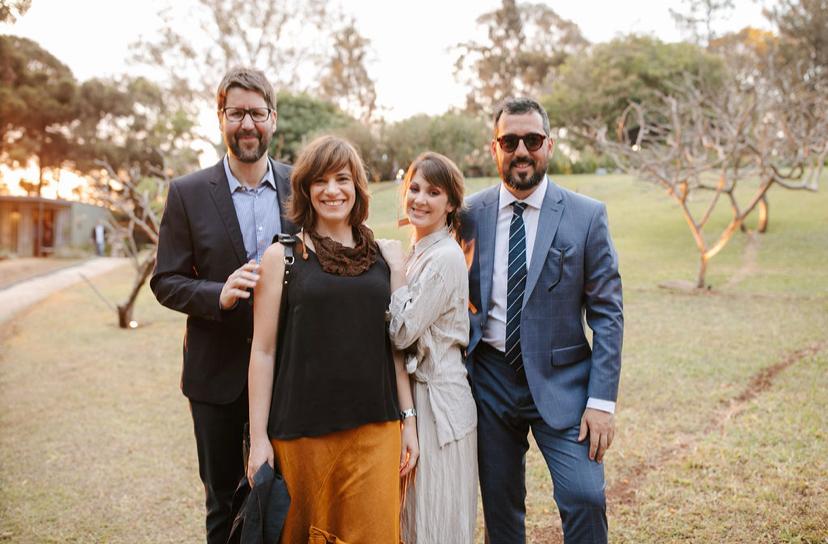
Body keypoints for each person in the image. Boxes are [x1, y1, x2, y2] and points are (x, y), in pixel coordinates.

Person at [461, 97, 623, 544]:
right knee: (500, 507)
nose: (521, 151)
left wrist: (602, 402)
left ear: (548, 145)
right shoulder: (468, 215)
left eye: (532, 140)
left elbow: (608, 313)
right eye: (509, 141)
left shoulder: (587, 215)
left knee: (585, 496)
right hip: (489, 380)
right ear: (494, 147)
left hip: (565, 381)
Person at [246, 135, 419, 544]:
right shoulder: (282, 258)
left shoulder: (382, 257)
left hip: (376, 433)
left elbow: (395, 349)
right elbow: (263, 352)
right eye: (320, 180)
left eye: (342, 179)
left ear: (357, 187)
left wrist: (408, 421)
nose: (332, 190)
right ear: (306, 189)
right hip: (302, 437)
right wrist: (257, 442)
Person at [150, 67, 294, 544]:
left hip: (292, 373)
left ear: (273, 119)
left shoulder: (303, 186)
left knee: (290, 496)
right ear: (220, 118)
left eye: (257, 113)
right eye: (237, 113)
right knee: (223, 502)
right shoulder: (187, 194)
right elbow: (165, 280)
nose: (247, 124)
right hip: (216, 378)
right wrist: (217, 293)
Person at [383, 152, 478, 543]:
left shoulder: (444, 257)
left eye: (433, 192)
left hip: (440, 407)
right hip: (417, 401)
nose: (419, 199)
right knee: (413, 518)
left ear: (451, 204)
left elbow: (402, 331)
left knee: (436, 522)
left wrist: (393, 271)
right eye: (415, 188)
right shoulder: (419, 249)